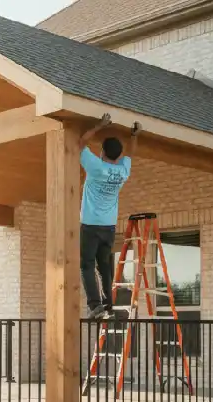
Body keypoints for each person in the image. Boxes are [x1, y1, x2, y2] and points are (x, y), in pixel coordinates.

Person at [78, 114, 142, 320]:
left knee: (87, 264)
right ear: (118, 156)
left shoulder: (96, 167)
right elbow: (130, 154)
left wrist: (99, 125)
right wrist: (134, 135)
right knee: (104, 266)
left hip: (90, 225)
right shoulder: (123, 172)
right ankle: (108, 305)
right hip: (109, 227)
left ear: (103, 152)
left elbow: (80, 142)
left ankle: (94, 305)